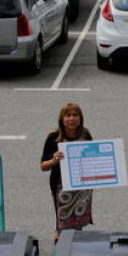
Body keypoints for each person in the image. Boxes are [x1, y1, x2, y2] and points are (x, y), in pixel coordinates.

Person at [41, 103, 94, 242]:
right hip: (61, 185)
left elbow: (94, 158)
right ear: (62, 119)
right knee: (63, 220)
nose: (72, 118)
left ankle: (76, 241)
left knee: (78, 218)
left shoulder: (85, 134)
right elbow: (43, 166)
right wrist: (54, 159)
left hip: (82, 184)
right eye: (68, 115)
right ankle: (59, 240)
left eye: (75, 115)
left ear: (80, 118)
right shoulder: (53, 137)